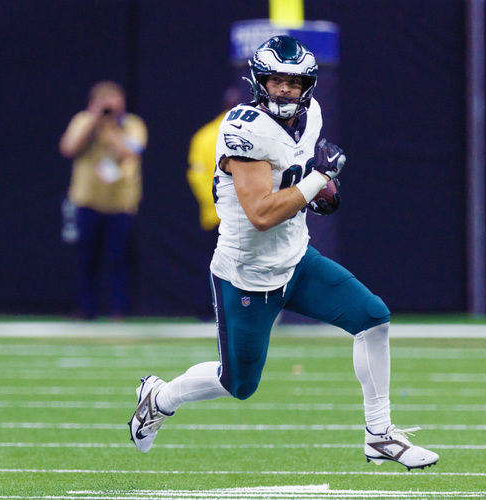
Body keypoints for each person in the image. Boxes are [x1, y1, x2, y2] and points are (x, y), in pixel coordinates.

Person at [127, 36, 438, 470]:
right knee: (238, 383)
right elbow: (259, 212)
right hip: (247, 274)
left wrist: (317, 191)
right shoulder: (244, 129)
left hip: (296, 259)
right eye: (277, 80)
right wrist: (316, 182)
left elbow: (297, 173)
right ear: (259, 81)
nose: (286, 89)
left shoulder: (311, 115)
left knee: (372, 316)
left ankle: (379, 434)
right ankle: (158, 398)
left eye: (295, 81)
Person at [59, 81, 147, 319]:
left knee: (119, 259)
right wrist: (93, 122)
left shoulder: (132, 125)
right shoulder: (83, 121)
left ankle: (120, 310)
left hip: (120, 204)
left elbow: (130, 153)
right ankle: (86, 308)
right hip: (87, 201)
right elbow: (68, 148)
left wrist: (110, 129)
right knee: (86, 258)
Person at [187, 87, 243, 232]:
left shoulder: (203, 136)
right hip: (245, 216)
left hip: (216, 215)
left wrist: (216, 201)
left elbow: (196, 176)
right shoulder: (252, 133)